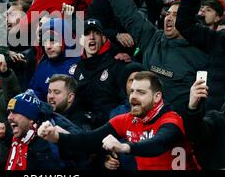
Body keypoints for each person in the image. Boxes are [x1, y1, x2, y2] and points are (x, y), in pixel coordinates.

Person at [92, 0, 208, 115]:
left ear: (188, 22)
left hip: (177, 124)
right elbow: (128, 12)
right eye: (167, 14)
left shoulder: (201, 55)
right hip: (141, 119)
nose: (169, 18)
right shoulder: (152, 38)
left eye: (176, 15)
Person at [38, 71, 200, 170]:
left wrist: (124, 146)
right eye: (132, 91)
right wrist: (57, 137)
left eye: (141, 92)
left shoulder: (171, 119)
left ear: (157, 97)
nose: (134, 97)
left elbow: (158, 144)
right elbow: (90, 140)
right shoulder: (127, 120)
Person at [73, 18, 128, 128]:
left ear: (103, 38)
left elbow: (126, 103)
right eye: (87, 34)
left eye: (96, 33)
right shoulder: (78, 69)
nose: (92, 37)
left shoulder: (117, 64)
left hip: (110, 127)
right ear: (81, 40)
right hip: (84, 127)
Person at [0, 90, 61, 170]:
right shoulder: (18, 140)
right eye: (9, 112)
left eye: (15, 112)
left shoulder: (45, 145)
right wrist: (3, 137)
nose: (9, 117)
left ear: (31, 118)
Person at [28, 18, 79, 101]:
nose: (48, 46)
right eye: (45, 42)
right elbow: (33, 97)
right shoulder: (42, 67)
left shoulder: (81, 63)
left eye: (53, 41)